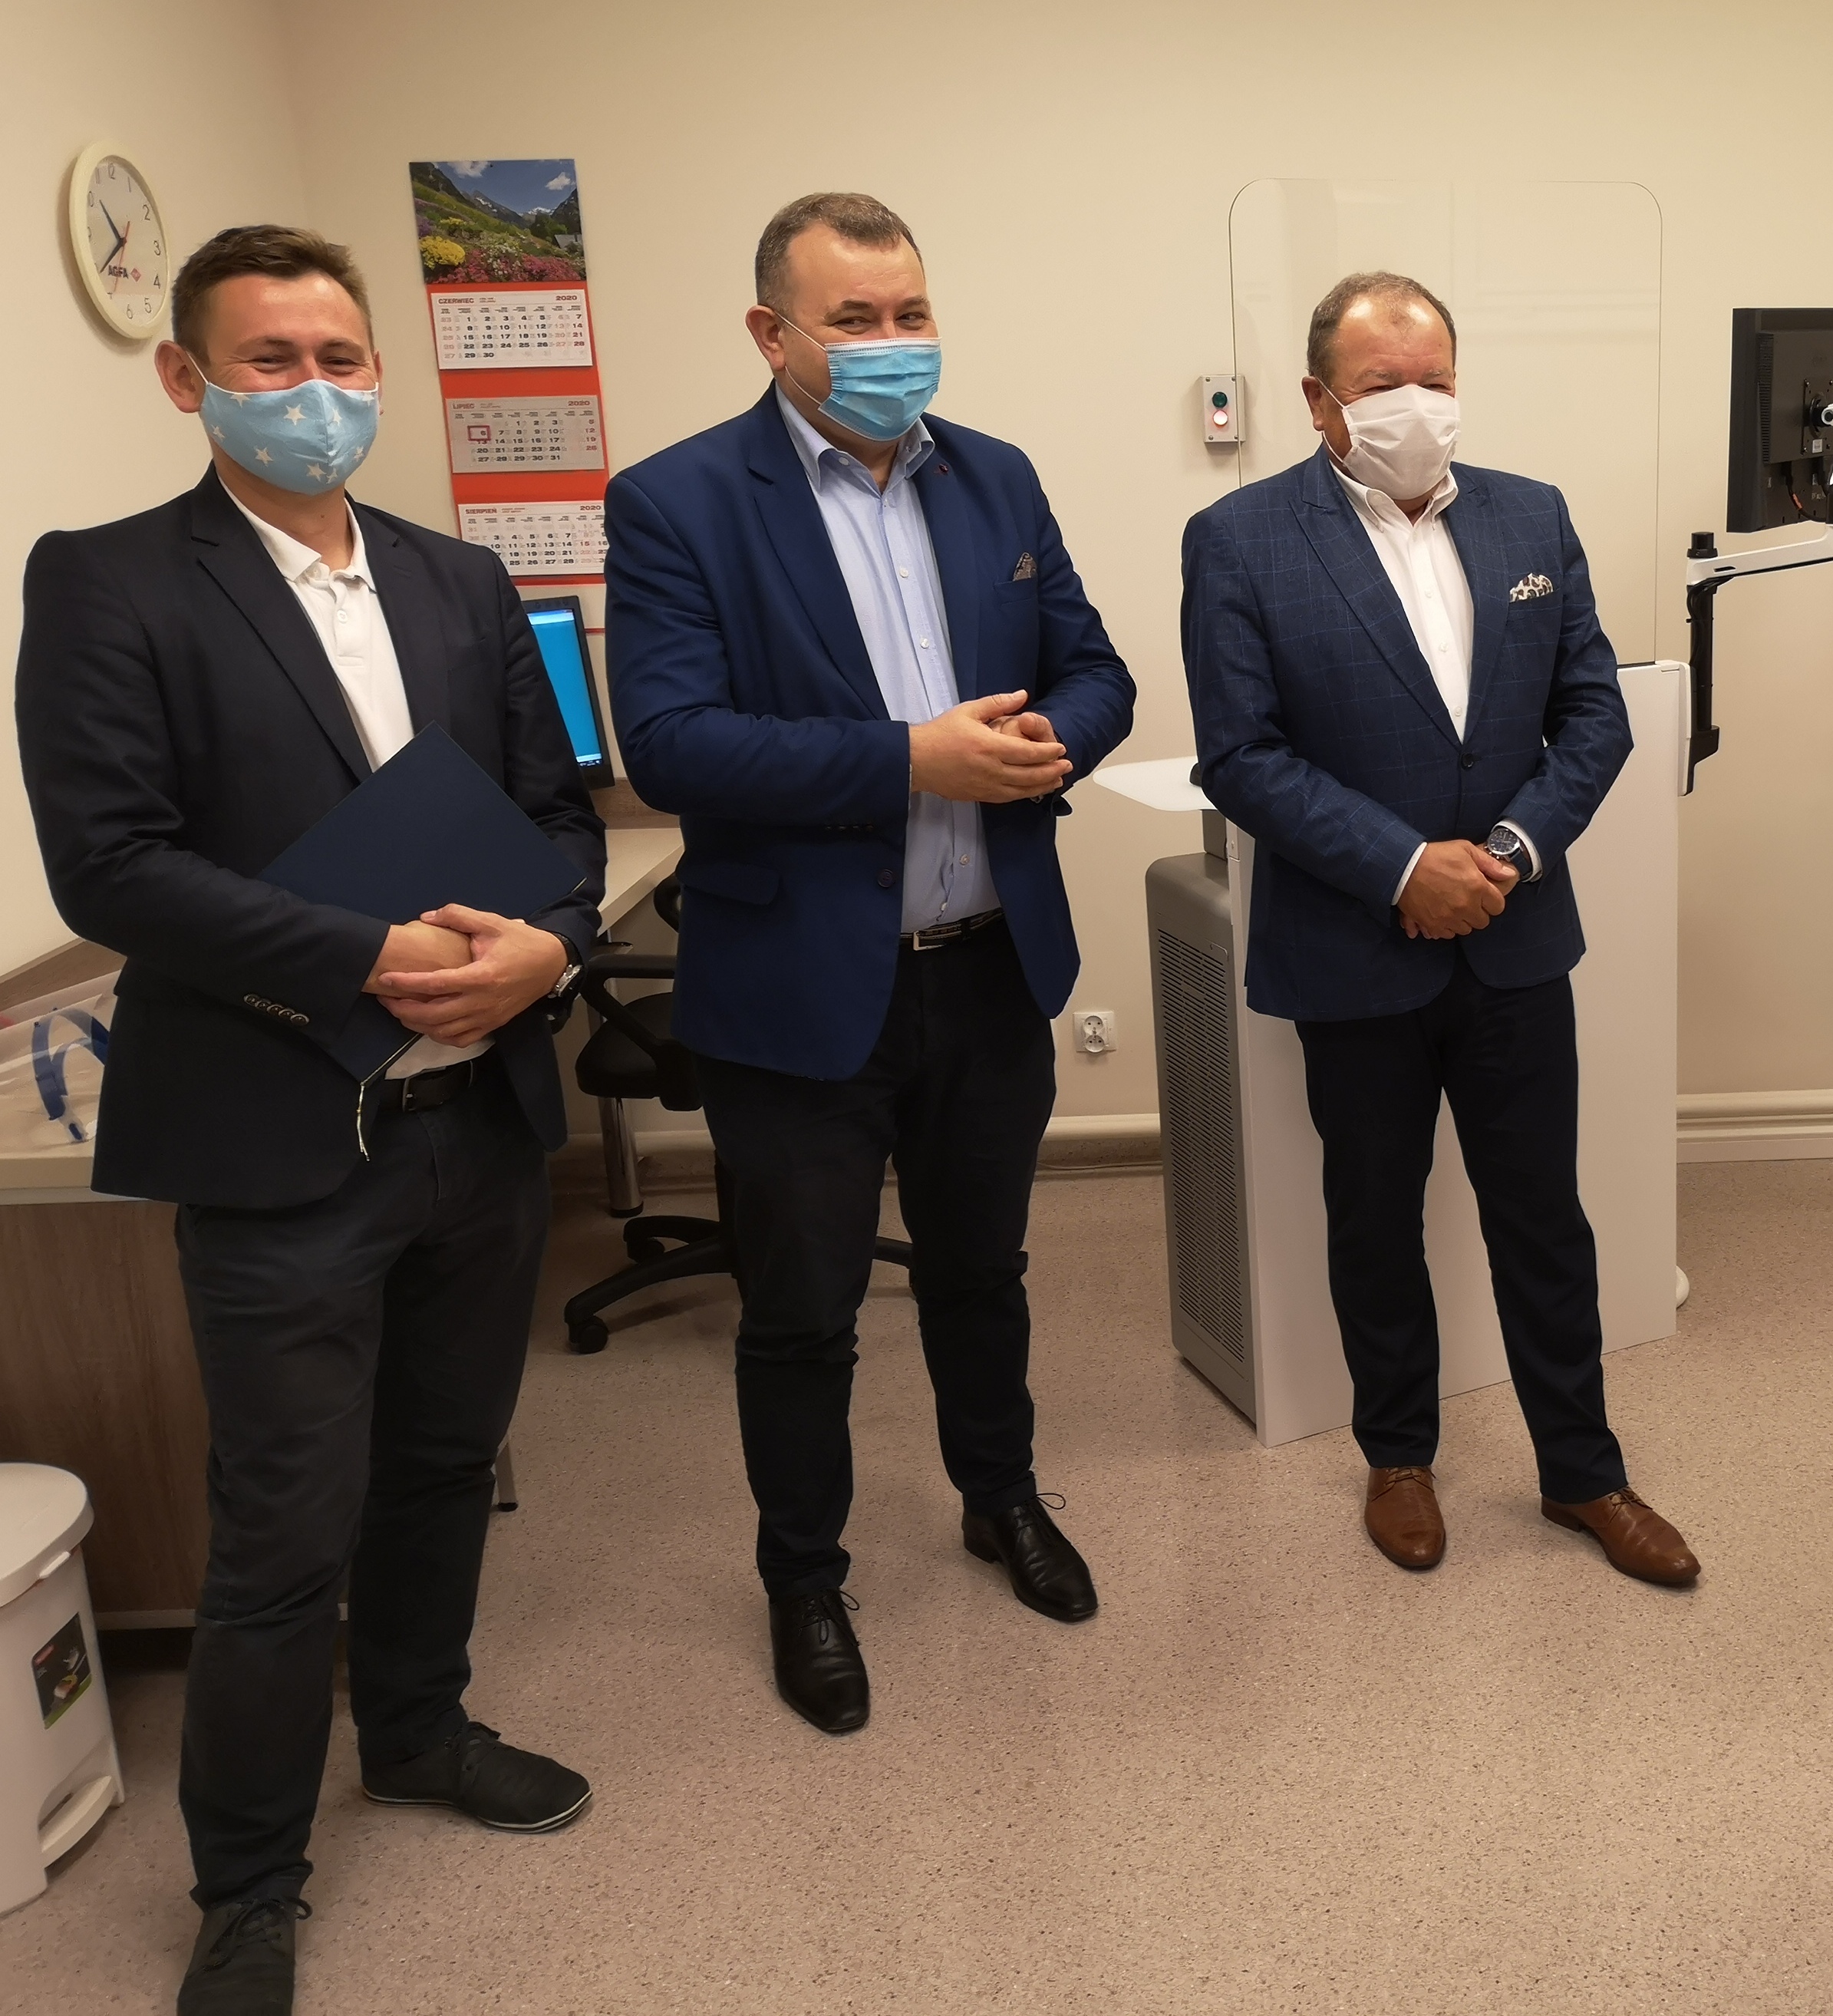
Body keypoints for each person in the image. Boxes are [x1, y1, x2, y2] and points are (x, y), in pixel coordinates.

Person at [15, 225, 605, 2016]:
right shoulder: (110, 582)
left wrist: (549, 950)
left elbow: (557, 819)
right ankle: (251, 1884)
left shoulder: (459, 579)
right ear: (186, 379)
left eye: (341, 357)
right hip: (280, 1143)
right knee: (283, 1524)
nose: (316, 390)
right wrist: (368, 957)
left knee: (444, 1464)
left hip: (476, 1122)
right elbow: (114, 866)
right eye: (271, 361)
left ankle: (417, 1733)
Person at [602, 193, 1136, 1736]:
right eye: (856, 320)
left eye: (912, 313)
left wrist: (1050, 739)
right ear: (772, 333)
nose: (895, 344)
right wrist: (910, 758)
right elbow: (674, 743)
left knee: (983, 1272)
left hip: (988, 965)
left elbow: (1097, 669)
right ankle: (804, 1578)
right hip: (798, 989)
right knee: (801, 1312)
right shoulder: (681, 501)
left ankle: (1000, 1497)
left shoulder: (995, 476)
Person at [1179, 272, 1699, 1587]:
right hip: (1354, 948)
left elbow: (1594, 714)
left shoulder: (1533, 515)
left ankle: (1584, 1472)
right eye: (1381, 385)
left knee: (1544, 1219)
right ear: (1320, 401)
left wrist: (1510, 854)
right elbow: (1240, 755)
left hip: (1515, 940)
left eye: (1436, 380)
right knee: (1374, 1216)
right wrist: (1403, 867)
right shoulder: (1239, 540)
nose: (1415, 406)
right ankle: (1399, 1456)